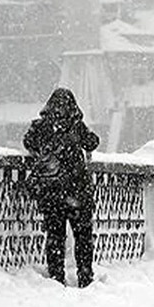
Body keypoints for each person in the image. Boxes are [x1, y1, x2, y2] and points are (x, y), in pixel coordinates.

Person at [22, 88, 100, 288]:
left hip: (52, 193)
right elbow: (92, 143)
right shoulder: (76, 126)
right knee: (83, 237)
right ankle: (85, 276)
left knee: (55, 237)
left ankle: (56, 278)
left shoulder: (41, 126)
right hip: (77, 192)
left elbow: (28, 142)